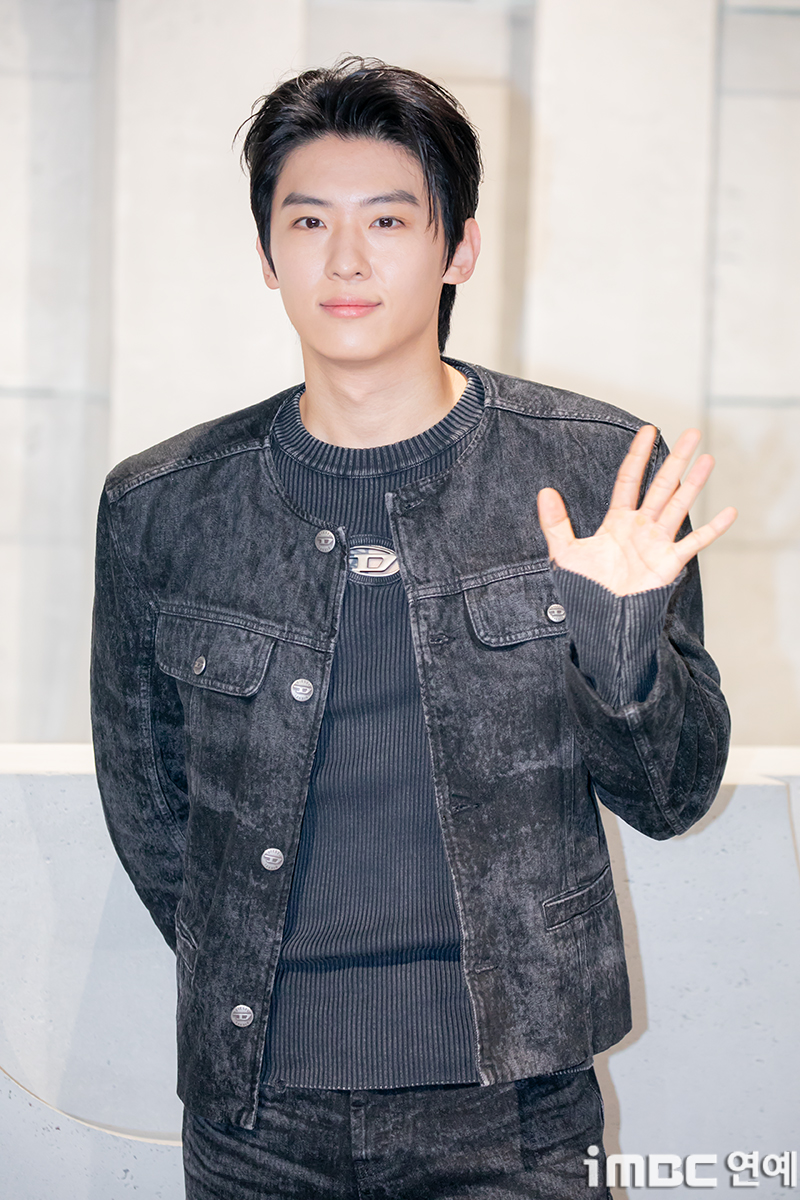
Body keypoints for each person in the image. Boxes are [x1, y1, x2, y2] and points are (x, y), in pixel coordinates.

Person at [90, 56, 737, 1200]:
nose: (345, 260)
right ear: (266, 254)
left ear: (458, 249)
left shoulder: (596, 474)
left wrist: (620, 647)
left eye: (388, 220)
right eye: (308, 222)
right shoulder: (162, 506)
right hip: (254, 1115)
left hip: (515, 1111)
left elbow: (670, 796)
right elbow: (148, 806)